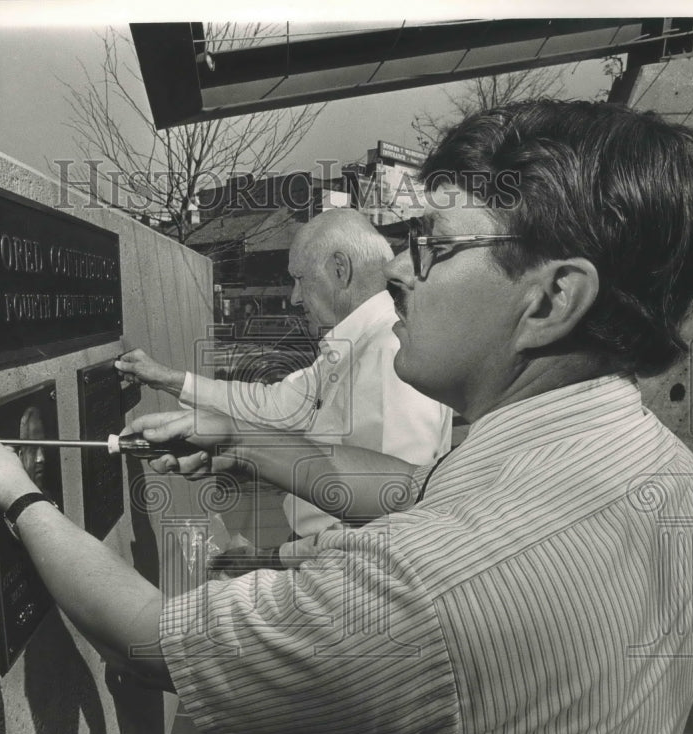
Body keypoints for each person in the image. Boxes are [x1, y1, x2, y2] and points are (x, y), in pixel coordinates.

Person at [0, 99, 693, 734]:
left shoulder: (430, 586)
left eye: (436, 244)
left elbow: (150, 641)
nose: (399, 269)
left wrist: (20, 495)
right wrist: (240, 445)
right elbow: (410, 488)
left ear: (553, 298)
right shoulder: (665, 468)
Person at [115, 207, 452, 559]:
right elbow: (271, 405)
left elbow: (388, 519)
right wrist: (168, 379)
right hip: (323, 556)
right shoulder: (358, 345)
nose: (294, 297)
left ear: (340, 269)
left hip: (342, 574)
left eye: (300, 278)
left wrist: (275, 559)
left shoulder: (388, 350)